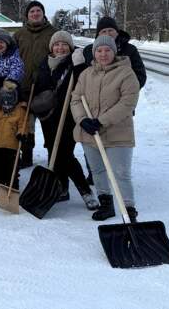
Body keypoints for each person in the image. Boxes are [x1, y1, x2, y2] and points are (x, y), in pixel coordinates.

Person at [70, 35, 140, 221]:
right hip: (90, 133)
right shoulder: (86, 74)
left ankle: (129, 210)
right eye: (99, 50)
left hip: (118, 133)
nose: (103, 54)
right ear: (94, 53)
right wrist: (82, 119)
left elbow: (128, 103)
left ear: (114, 52)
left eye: (107, 50)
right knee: (97, 170)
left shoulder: (126, 73)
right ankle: (106, 204)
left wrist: (101, 121)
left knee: (121, 173)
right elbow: (76, 98)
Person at [31, 31, 99, 210]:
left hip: (69, 115)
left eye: (64, 45)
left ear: (70, 46)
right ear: (51, 47)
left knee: (64, 154)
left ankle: (85, 191)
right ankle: (62, 189)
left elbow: (86, 83)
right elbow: (39, 86)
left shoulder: (76, 61)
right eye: (56, 45)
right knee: (54, 151)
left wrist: (78, 67)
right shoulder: (44, 63)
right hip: (48, 117)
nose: (60, 48)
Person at [13, 0, 57, 168]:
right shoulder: (19, 34)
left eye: (38, 10)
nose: (35, 14)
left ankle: (53, 156)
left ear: (43, 13)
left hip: (45, 88)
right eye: (32, 12)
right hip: (24, 86)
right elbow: (10, 53)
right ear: (27, 16)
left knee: (48, 123)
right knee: (26, 124)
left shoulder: (53, 33)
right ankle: (27, 156)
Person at [0, 82, 29, 199]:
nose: (6, 104)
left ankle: (12, 189)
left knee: (11, 171)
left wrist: (22, 133)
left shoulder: (20, 110)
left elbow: (23, 124)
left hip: (11, 146)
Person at [82, 16, 147, 89]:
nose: (107, 34)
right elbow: (83, 76)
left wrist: (123, 90)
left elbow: (140, 76)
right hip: (94, 95)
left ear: (117, 32)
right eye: (104, 31)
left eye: (110, 30)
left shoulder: (130, 50)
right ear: (98, 34)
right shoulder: (89, 50)